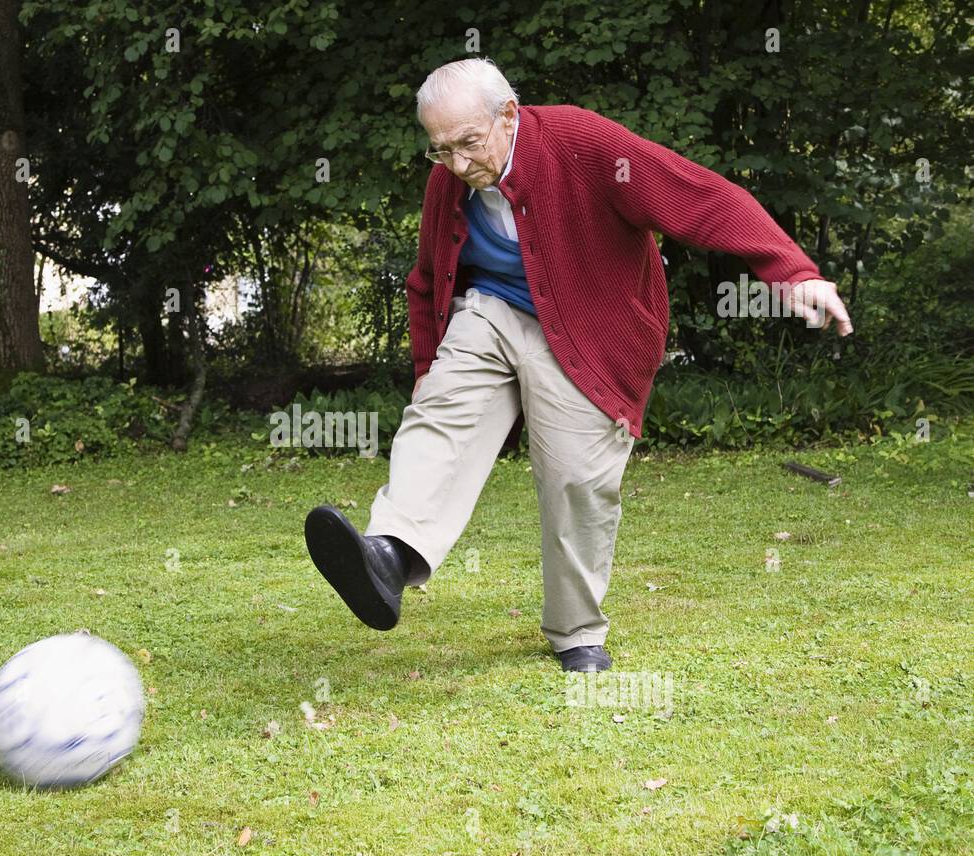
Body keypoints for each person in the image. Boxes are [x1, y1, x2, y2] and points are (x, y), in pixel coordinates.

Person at [304, 57, 852, 672]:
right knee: (440, 412)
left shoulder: (583, 143)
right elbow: (428, 279)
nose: (457, 165)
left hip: (590, 326)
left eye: (467, 144)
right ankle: (391, 554)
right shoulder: (450, 181)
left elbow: (701, 194)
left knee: (575, 480)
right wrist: (429, 365)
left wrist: (794, 272)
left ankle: (576, 631)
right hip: (493, 310)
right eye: (440, 151)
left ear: (508, 115)